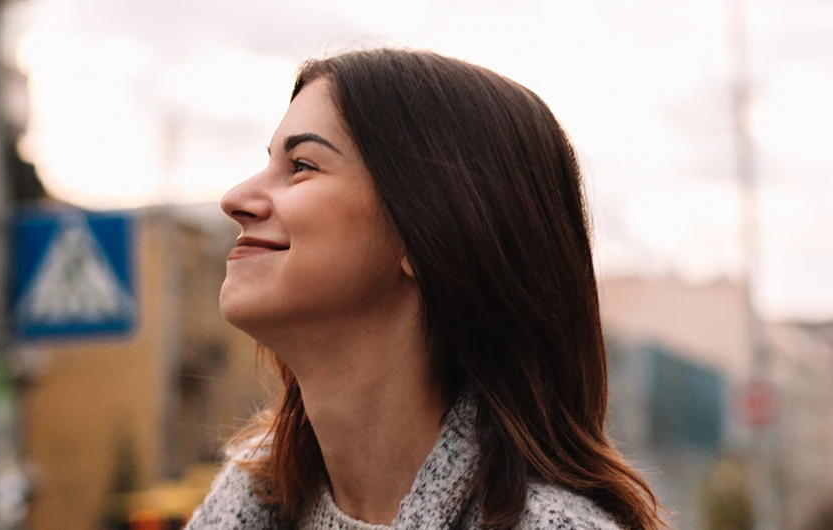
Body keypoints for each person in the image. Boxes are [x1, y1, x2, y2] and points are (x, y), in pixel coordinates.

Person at [187, 48, 665, 529]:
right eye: (270, 162)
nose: (235, 199)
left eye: (302, 165)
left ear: (426, 230)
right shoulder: (243, 503)